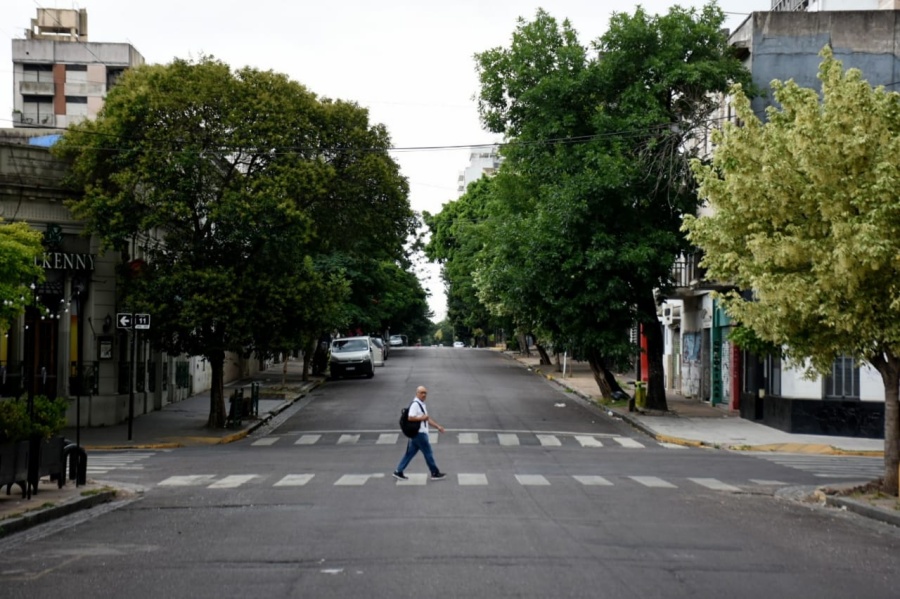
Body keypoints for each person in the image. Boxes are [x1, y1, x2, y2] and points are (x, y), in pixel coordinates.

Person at [393, 386, 446, 481]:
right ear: (416, 393)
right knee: (428, 453)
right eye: (421, 392)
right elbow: (410, 417)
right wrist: (422, 418)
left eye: (425, 393)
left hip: (417, 434)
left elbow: (427, 418)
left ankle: (398, 471)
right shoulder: (415, 404)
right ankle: (434, 472)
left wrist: (438, 426)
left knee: (409, 454)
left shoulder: (421, 404)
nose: (424, 395)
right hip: (420, 434)